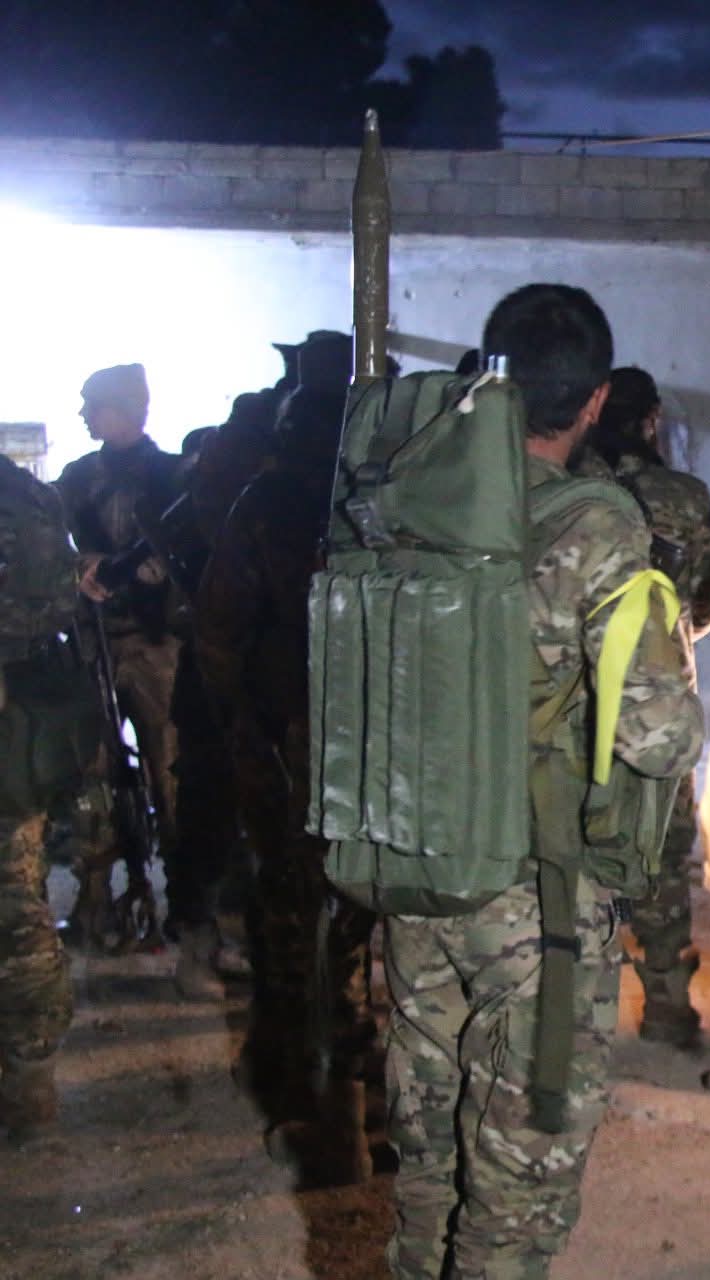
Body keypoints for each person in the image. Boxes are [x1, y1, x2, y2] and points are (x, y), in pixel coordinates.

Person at [381, 285, 704, 1277]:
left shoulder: (410, 498)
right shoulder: (595, 527)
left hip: (413, 865)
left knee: (428, 1152)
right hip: (535, 889)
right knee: (520, 1174)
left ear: (492, 379)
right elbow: (661, 736)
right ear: (596, 401)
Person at [197, 331, 376, 1177]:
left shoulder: (266, 503)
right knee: (359, 914)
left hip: (287, 737)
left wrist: (240, 724)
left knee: (290, 912)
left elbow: (220, 628)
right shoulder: (385, 497)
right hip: (370, 741)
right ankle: (352, 1082)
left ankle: (307, 1086)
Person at [583, 366, 710, 1049]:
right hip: (659, 706)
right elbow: (709, 600)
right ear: (651, 420)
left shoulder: (570, 490)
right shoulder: (683, 496)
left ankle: (583, 1006)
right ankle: (667, 1005)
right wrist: (664, 640)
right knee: (664, 856)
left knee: (575, 849)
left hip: (573, 709)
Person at [55, 363, 187, 963]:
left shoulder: (172, 476)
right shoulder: (77, 479)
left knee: (171, 775)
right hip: (96, 644)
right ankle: (93, 904)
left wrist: (149, 572)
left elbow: (189, 549)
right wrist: (81, 569)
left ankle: (185, 907)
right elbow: (52, 548)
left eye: (94, 405)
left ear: (127, 409)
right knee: (94, 780)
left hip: (157, 645)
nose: (84, 415)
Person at [0, 454, 81, 1144]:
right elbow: (64, 601)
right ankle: (32, 1080)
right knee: (18, 898)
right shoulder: (31, 496)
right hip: (14, 730)